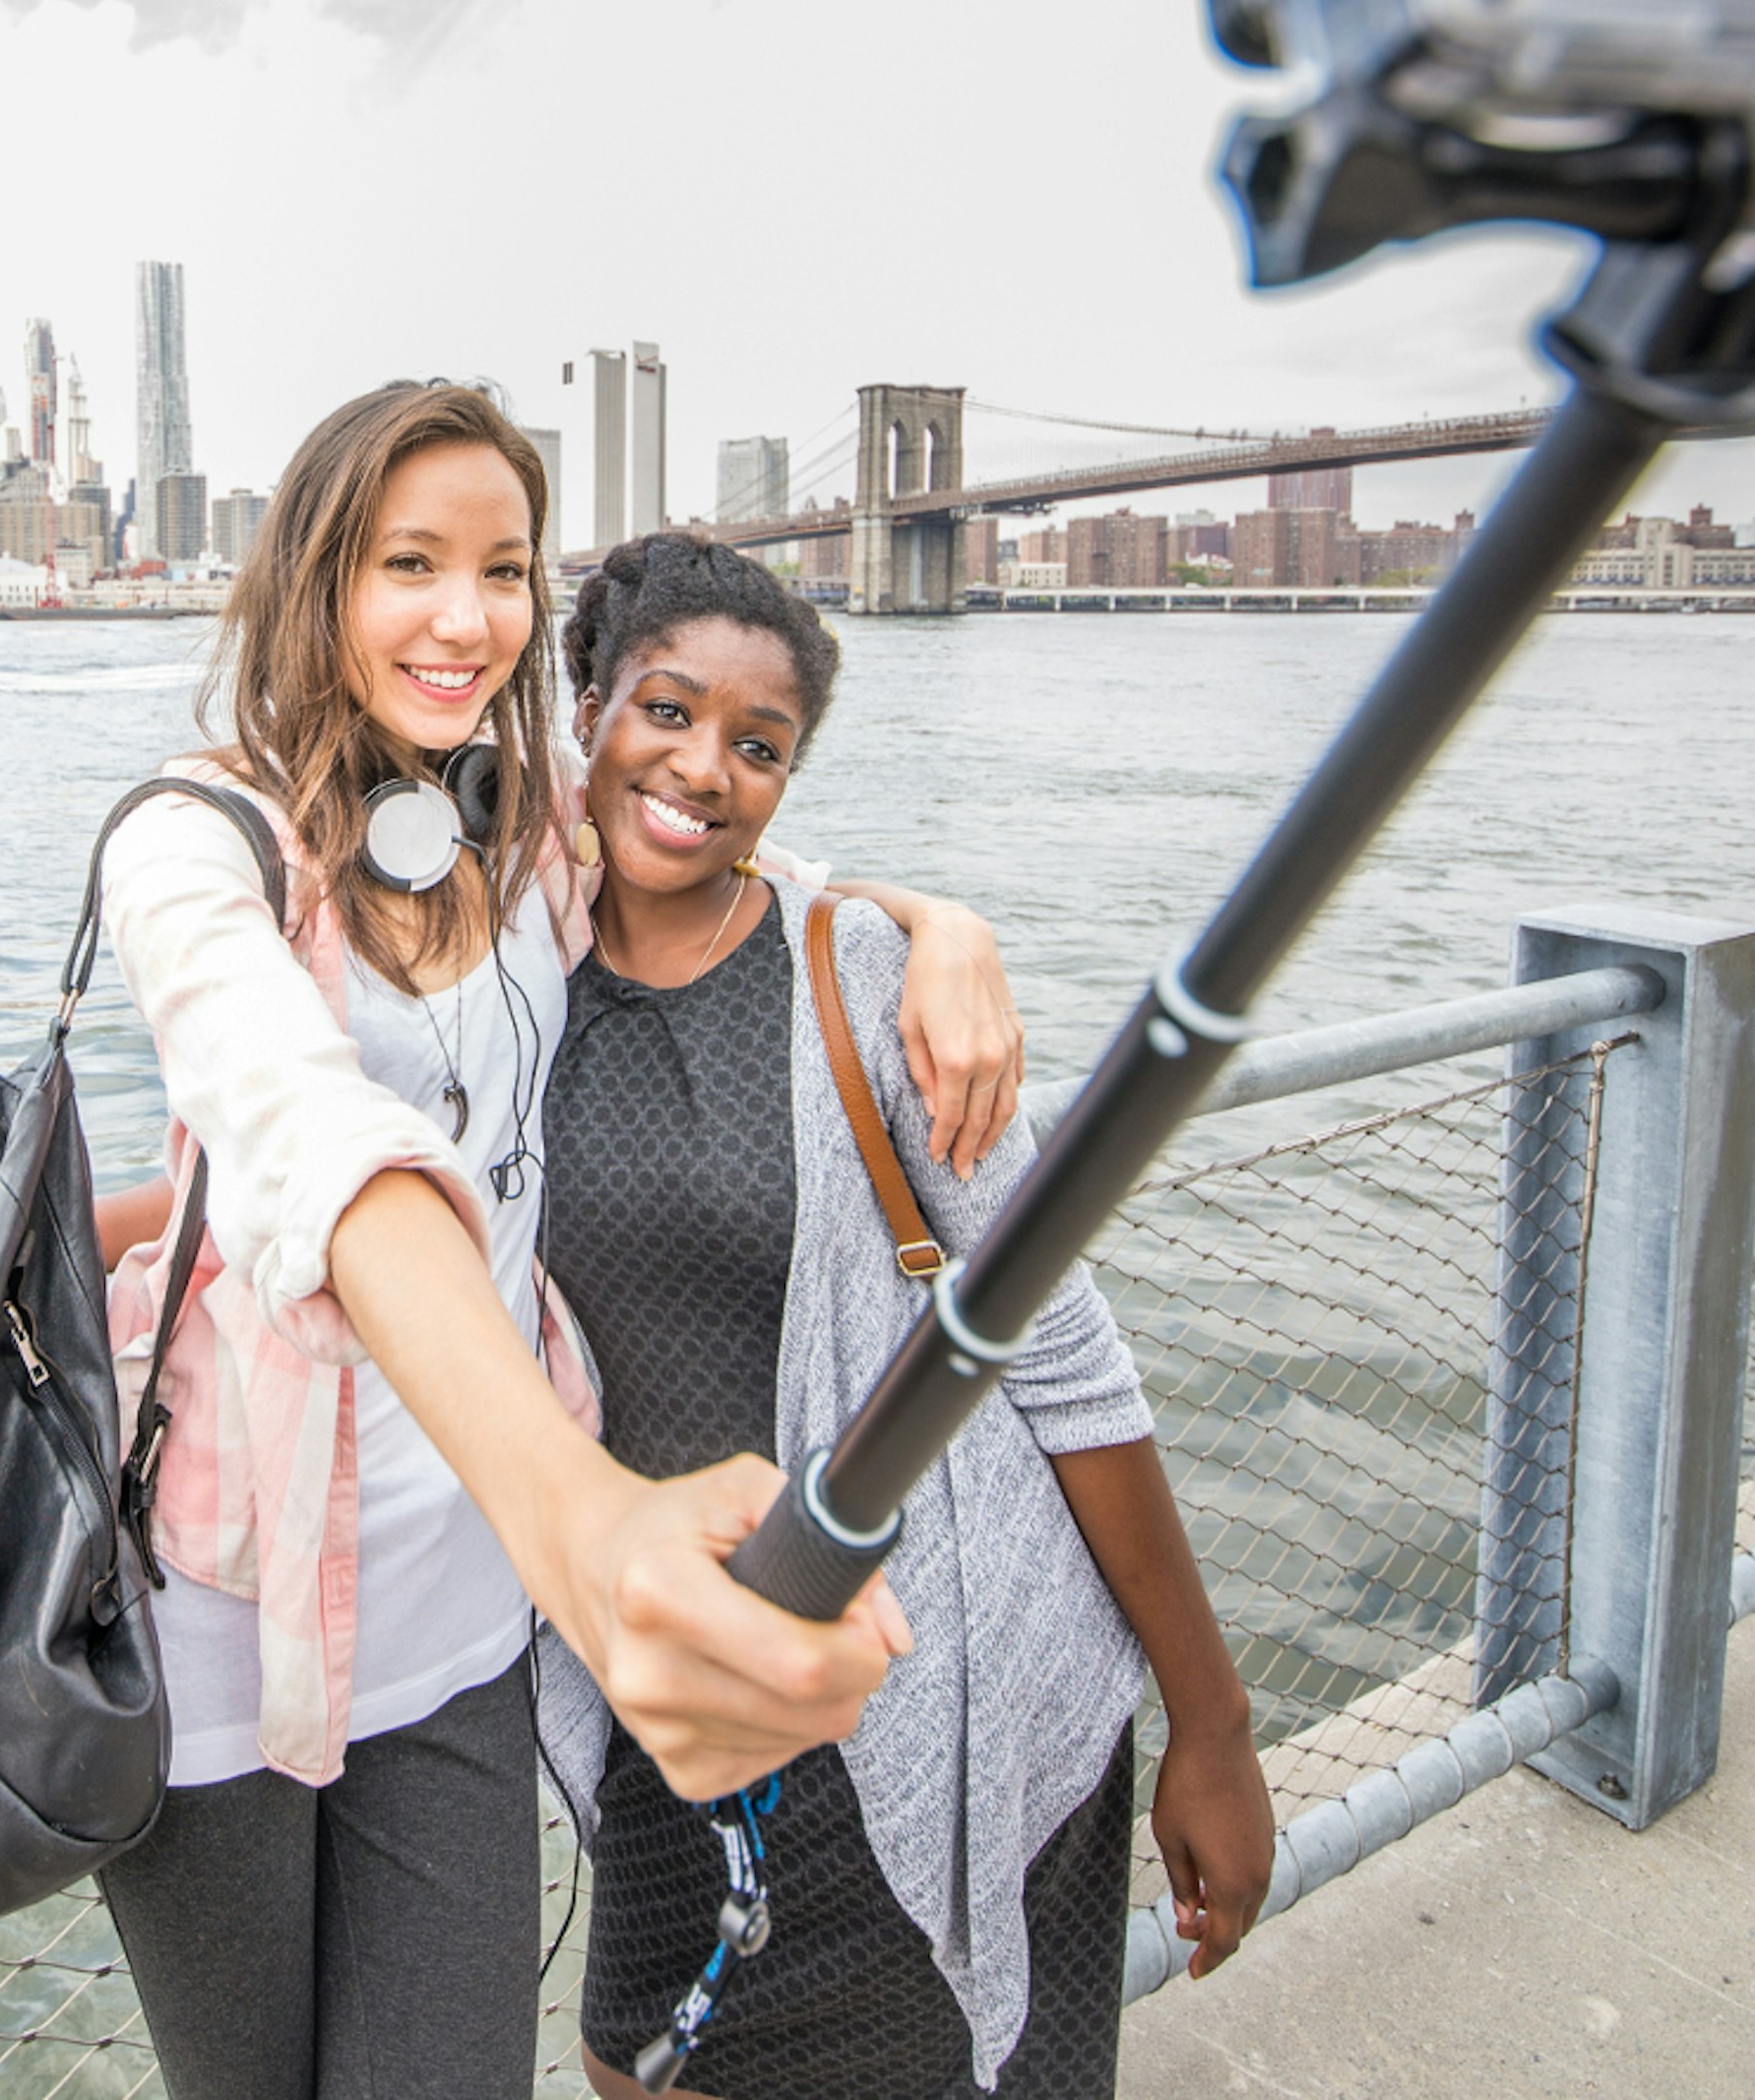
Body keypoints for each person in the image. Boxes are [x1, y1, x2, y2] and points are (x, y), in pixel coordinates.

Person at [0, 380, 1021, 2100]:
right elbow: (306, 1139)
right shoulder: (195, 846)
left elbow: (742, 869)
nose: (465, 618)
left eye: (502, 570)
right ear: (321, 578)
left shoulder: (526, 834)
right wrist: (576, 1512)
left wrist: (940, 929)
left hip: (463, 1612)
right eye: (410, 563)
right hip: (231, 1594)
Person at [537, 531, 1273, 2099]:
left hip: (921, 1679)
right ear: (585, 704)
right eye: (663, 711)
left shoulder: (860, 979)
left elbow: (1068, 1362)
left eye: (759, 745)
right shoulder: (511, 983)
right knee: (635, 2069)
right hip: (680, 1682)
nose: (701, 769)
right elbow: (345, 1173)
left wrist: (1214, 1726)